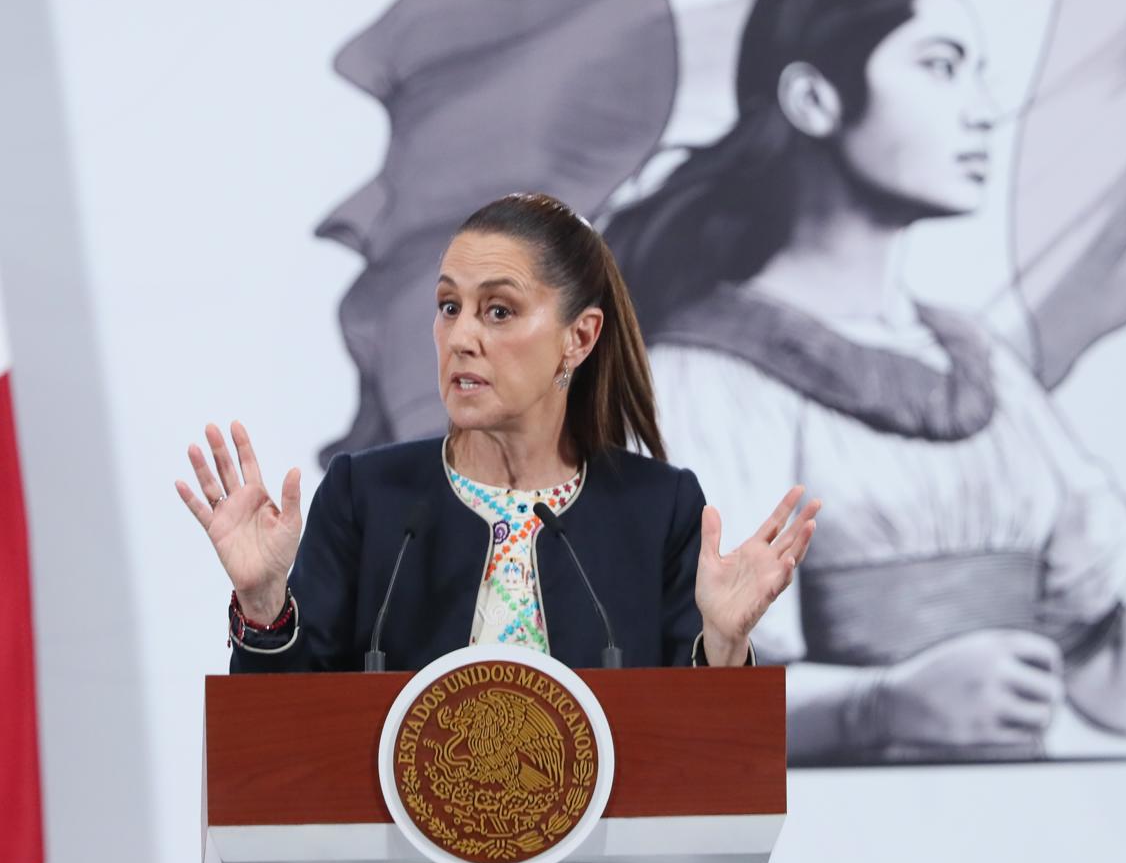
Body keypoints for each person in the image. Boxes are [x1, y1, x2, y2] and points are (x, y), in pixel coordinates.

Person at [602, 0, 1126, 763]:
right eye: (941, 67)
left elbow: (1113, 691)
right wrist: (878, 708)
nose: (982, 109)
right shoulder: (706, 381)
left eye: (978, 72)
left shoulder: (981, 368)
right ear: (814, 98)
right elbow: (681, 714)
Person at [176, 192, 819, 673]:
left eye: (499, 311)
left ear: (580, 336)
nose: (461, 339)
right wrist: (263, 604)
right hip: (399, 858)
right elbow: (283, 741)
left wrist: (726, 644)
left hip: (599, 859)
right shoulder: (366, 497)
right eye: (449, 306)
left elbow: (698, 765)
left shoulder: (657, 510)